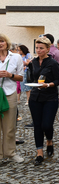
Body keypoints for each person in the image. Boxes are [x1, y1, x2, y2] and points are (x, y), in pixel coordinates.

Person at [28, 37, 59, 166]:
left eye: (41, 48)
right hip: (35, 97)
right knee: (37, 125)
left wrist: (48, 85)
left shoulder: (53, 63)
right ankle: (39, 153)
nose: (38, 50)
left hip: (50, 97)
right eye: (37, 48)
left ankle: (49, 140)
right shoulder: (33, 62)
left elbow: (58, 80)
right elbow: (32, 78)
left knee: (46, 125)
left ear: (48, 49)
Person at [0, 34, 24, 163]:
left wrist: (10, 75)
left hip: (10, 93)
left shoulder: (16, 57)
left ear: (6, 43)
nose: (0, 44)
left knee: (10, 126)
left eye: (2, 41)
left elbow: (21, 77)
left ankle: (10, 153)